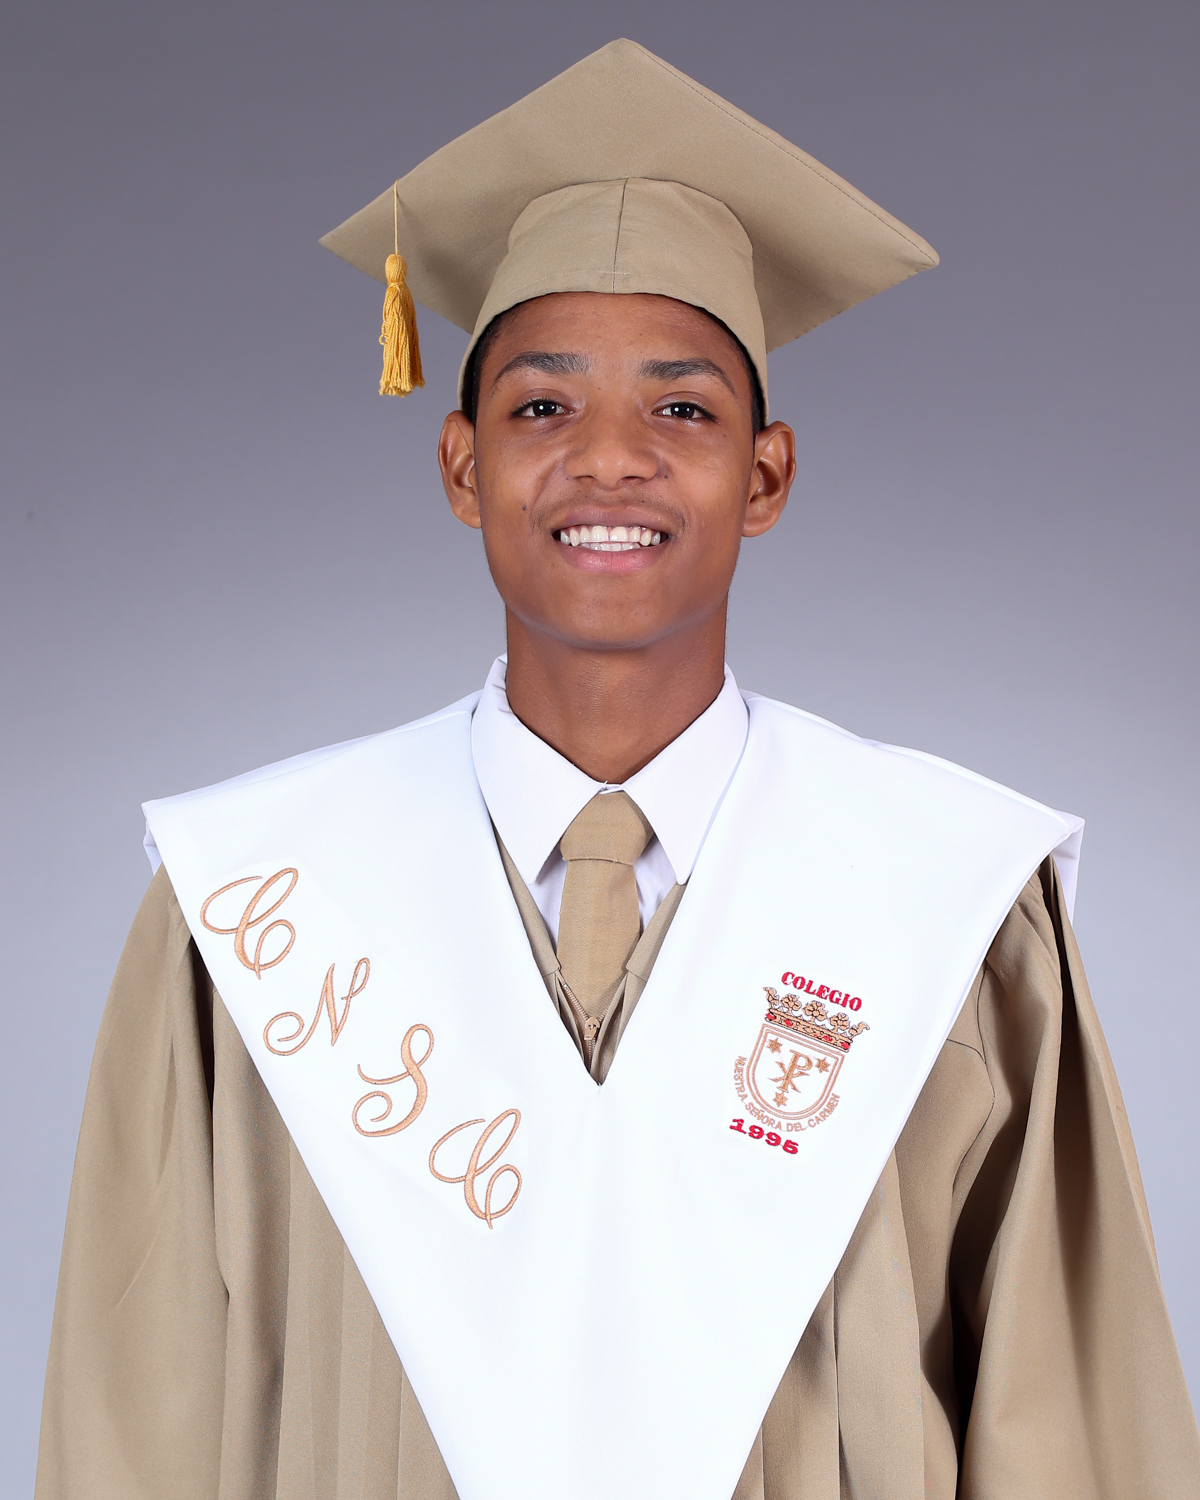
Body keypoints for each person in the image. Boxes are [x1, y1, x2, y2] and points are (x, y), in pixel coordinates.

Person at [35, 37, 1199, 1500]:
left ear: (765, 476)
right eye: (541, 406)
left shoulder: (951, 901)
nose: (609, 459)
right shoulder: (253, 906)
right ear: (462, 467)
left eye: (682, 408)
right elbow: (134, 1426)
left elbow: (1073, 1428)